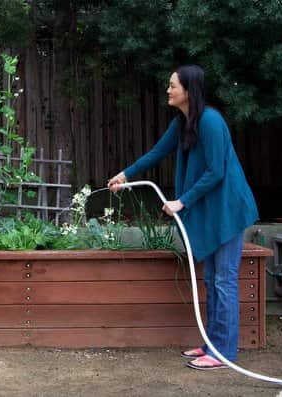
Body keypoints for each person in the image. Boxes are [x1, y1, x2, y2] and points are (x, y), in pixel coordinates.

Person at [108, 65, 258, 370]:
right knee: (210, 279)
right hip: (211, 208)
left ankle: (225, 352)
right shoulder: (183, 123)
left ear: (188, 91)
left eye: (172, 85)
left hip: (228, 208)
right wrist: (125, 175)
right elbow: (155, 154)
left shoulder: (211, 122)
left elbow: (216, 171)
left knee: (224, 280)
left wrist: (182, 201)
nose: (168, 90)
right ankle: (212, 344)